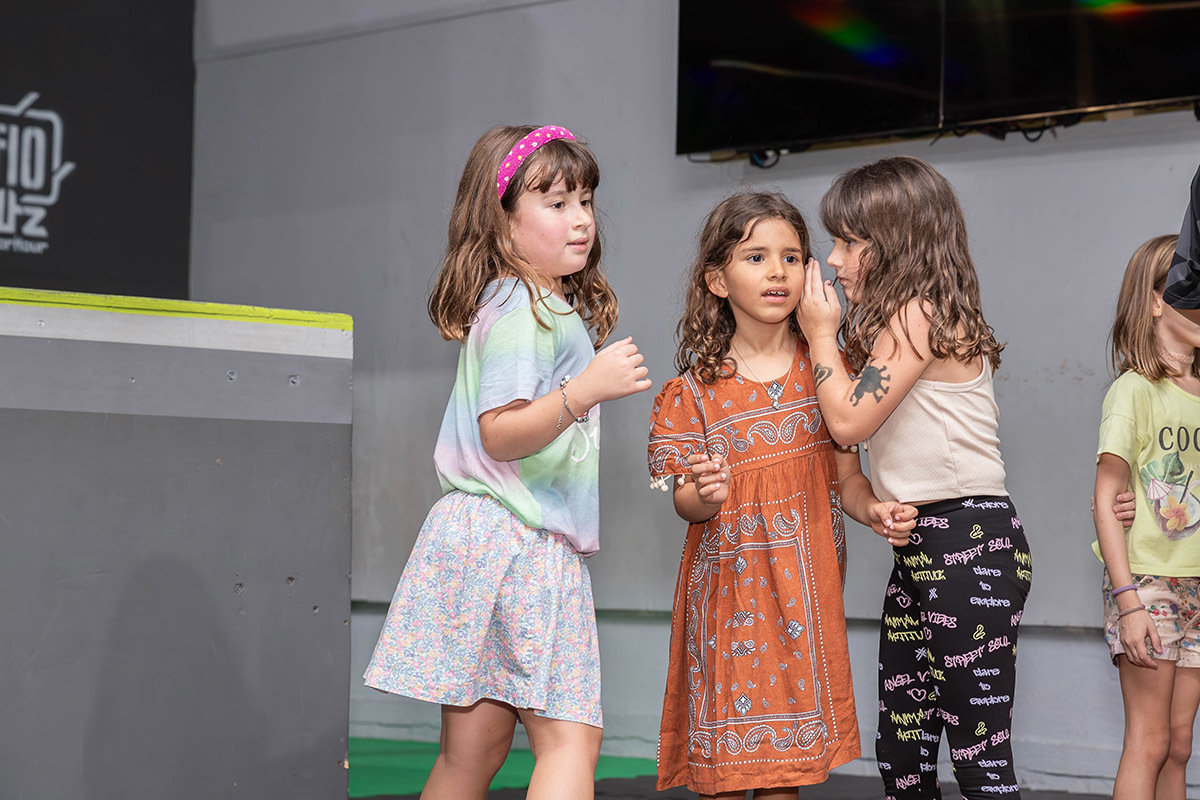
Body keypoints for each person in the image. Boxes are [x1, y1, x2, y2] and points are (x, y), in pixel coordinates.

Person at [363, 124, 651, 800]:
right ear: (502, 222)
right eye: (555, 203)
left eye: (584, 200)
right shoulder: (526, 308)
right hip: (521, 543)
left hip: (476, 538)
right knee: (569, 741)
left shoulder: (516, 301)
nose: (580, 219)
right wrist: (585, 390)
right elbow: (501, 433)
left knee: (472, 751)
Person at [647, 191, 917, 799]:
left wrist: (872, 507)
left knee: (785, 774)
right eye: (756, 257)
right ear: (716, 280)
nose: (777, 271)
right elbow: (683, 502)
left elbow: (846, 476)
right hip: (726, 605)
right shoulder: (692, 392)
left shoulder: (831, 370)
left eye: (793, 257)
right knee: (722, 772)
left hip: (804, 604)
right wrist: (704, 495)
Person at [796, 156, 1030, 799]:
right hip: (927, 543)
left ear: (894, 245)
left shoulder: (916, 316)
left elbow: (845, 422)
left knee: (980, 755)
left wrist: (821, 335)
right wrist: (874, 503)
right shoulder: (904, 325)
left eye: (848, 242)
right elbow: (859, 453)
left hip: (968, 546)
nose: (835, 260)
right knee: (902, 752)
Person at [1092, 233, 1200, 800]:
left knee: (1180, 744)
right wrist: (1128, 599)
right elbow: (1105, 500)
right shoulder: (1134, 390)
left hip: (1198, 582)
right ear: (1156, 299)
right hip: (1148, 582)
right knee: (1151, 740)